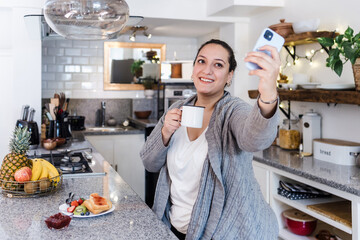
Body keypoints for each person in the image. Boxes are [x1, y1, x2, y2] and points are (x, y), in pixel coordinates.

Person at [140, 39, 280, 240]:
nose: (207, 70)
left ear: (229, 76)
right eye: (201, 61)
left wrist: (268, 93)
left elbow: (255, 140)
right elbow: (149, 163)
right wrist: (164, 132)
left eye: (218, 65)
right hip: (173, 228)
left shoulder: (232, 111)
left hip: (223, 232)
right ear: (193, 68)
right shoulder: (175, 109)